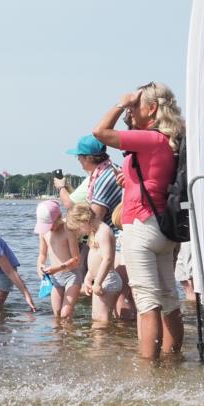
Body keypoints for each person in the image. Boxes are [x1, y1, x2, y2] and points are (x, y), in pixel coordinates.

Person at [94, 82, 185, 359]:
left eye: (137, 106)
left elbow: (100, 133)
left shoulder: (152, 138)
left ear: (153, 109)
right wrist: (129, 182)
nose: (131, 112)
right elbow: (153, 181)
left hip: (141, 226)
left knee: (147, 303)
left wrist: (121, 102)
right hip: (162, 229)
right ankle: (172, 362)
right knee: (169, 298)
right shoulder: (169, 140)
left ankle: (149, 373)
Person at [54, 134, 134, 318]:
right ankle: (122, 339)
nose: (79, 161)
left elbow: (95, 216)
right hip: (115, 239)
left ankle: (122, 336)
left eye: (79, 157)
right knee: (120, 296)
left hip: (117, 240)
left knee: (122, 297)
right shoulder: (104, 171)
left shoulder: (104, 178)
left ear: (89, 158)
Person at [65, 203, 121, 323]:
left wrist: (98, 283)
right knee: (96, 318)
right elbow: (96, 258)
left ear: (85, 220)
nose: (79, 232)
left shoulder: (103, 232)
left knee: (101, 320)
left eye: (79, 229)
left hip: (107, 279)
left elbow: (107, 259)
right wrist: (88, 277)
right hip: (100, 278)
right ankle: (101, 341)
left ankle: (101, 341)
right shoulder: (95, 232)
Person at [34, 199, 81, 319]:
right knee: (57, 313)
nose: (49, 228)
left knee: (66, 314)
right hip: (55, 278)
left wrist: (58, 268)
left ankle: (69, 334)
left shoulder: (68, 230)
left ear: (59, 217)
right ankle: (58, 337)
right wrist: (40, 266)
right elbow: (42, 254)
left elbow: (76, 259)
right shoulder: (44, 232)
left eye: (51, 225)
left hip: (72, 275)